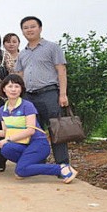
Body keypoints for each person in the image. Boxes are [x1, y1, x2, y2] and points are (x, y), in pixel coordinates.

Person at [0, 74, 78, 183]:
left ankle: (62, 168)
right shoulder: (2, 109)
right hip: (22, 145)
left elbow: (30, 130)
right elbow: (5, 132)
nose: (13, 89)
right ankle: (29, 166)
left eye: (17, 86)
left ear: (21, 89)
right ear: (4, 89)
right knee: (6, 148)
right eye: (10, 86)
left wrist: (8, 139)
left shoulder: (27, 105)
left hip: (38, 143)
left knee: (20, 170)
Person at [15, 16, 71, 165]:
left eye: (32, 26)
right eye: (25, 28)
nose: (29, 30)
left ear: (40, 28)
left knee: (56, 130)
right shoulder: (22, 53)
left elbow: (61, 70)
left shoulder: (52, 47)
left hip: (49, 94)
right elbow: (19, 76)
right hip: (29, 97)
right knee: (34, 131)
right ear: (22, 31)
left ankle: (63, 165)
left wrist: (63, 94)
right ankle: (38, 163)